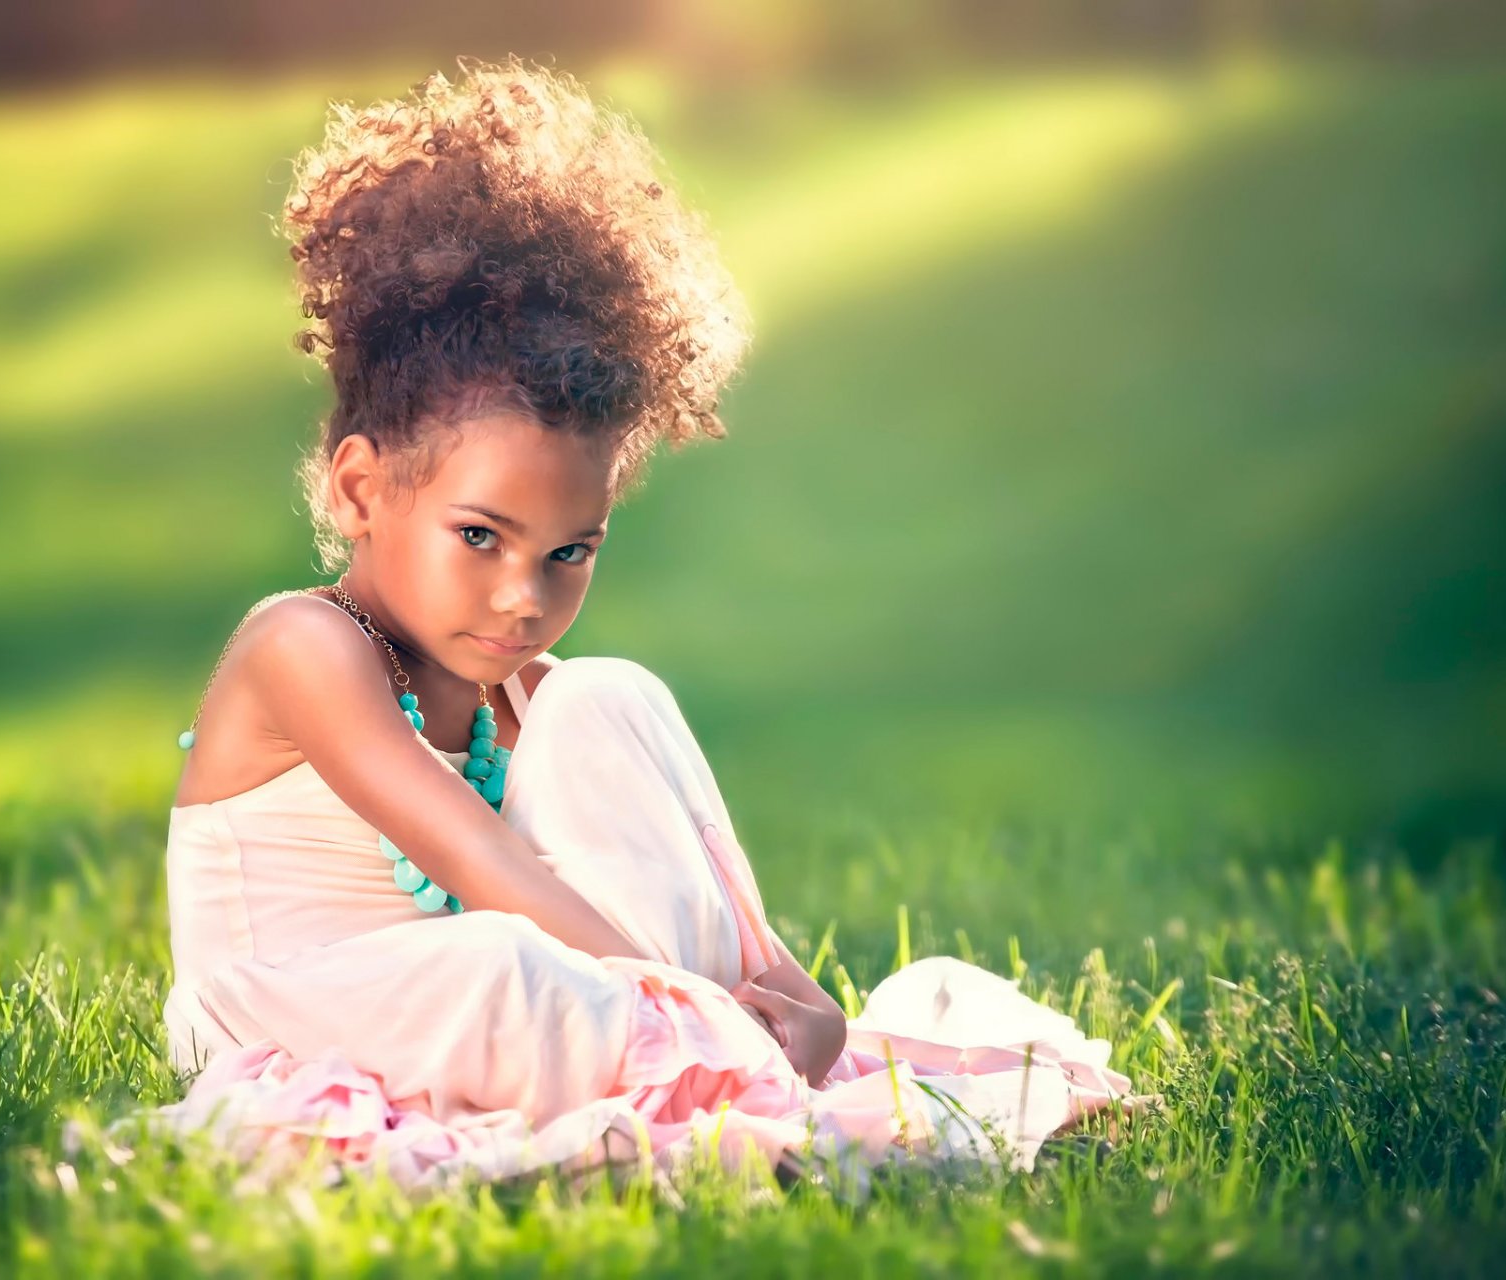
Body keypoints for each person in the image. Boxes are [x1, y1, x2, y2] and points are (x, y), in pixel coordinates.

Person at [139, 56, 1131, 1196]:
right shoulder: (297, 647)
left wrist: (791, 988)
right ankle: (699, 1042)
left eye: (570, 553)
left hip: (526, 985)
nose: (524, 595)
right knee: (503, 962)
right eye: (480, 537)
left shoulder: (523, 679)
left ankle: (722, 1038)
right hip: (309, 1006)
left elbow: (628, 855)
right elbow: (477, 858)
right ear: (363, 491)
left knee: (610, 698)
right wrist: (683, 997)